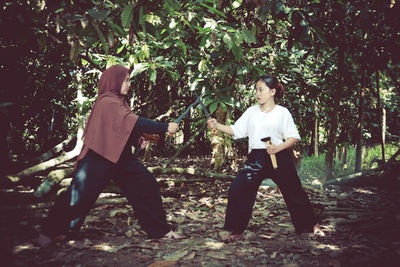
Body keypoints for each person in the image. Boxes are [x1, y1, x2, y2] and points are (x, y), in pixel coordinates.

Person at [35, 65, 180, 246]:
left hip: (121, 157)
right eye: (125, 80)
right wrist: (165, 127)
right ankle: (52, 232)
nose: (128, 84)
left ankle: (159, 231)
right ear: (114, 81)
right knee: (78, 195)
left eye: (129, 80)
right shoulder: (107, 102)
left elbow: (124, 128)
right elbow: (131, 121)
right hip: (99, 157)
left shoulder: (119, 102)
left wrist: (139, 138)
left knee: (147, 185)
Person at [207, 74, 325, 242]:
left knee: (294, 191)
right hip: (256, 157)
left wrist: (278, 147)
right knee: (237, 190)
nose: (258, 93)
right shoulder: (251, 112)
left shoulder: (282, 112)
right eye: (256, 90)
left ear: (272, 91)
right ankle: (235, 230)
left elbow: (294, 137)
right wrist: (217, 125)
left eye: (261, 89)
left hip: (279, 155)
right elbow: (236, 131)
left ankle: (310, 225)